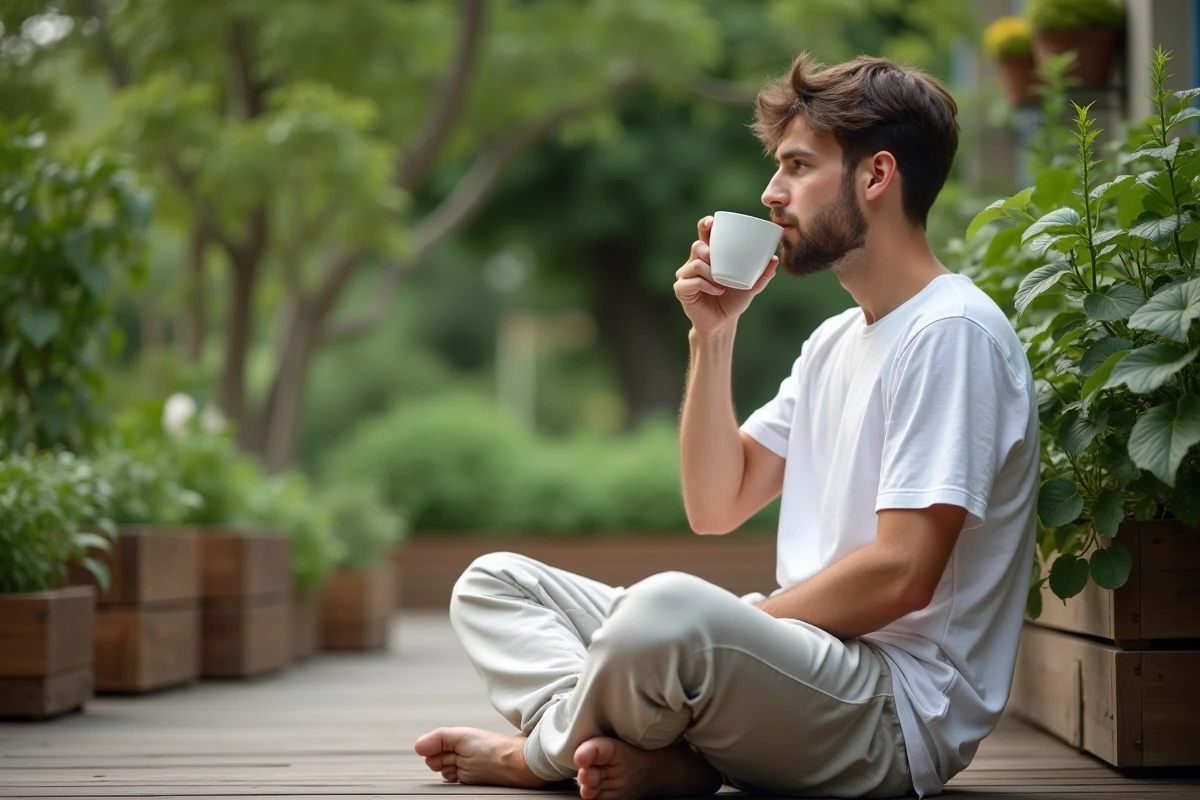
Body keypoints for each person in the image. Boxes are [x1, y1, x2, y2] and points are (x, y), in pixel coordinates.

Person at [415, 53, 1039, 800]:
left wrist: (741, 629)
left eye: (798, 166)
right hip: (801, 666)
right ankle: (662, 753)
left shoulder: (951, 332)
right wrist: (711, 337)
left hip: (889, 714)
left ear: (875, 177)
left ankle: (539, 755)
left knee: (666, 613)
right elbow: (716, 504)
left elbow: (902, 575)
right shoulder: (834, 344)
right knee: (495, 584)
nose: (772, 194)